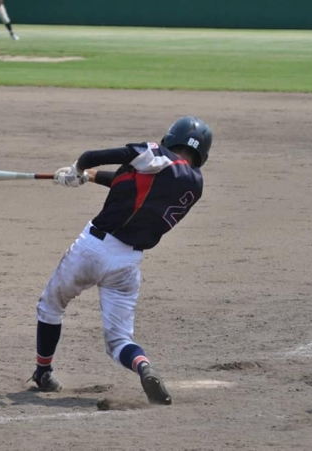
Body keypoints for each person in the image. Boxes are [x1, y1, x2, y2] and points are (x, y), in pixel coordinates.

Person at [28, 116, 213, 406]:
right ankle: (143, 366)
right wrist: (88, 177)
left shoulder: (156, 153)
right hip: (127, 264)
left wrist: (78, 168)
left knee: (51, 306)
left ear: (171, 138)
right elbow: (133, 184)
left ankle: (43, 372)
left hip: (91, 249)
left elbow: (91, 156)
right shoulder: (194, 184)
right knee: (119, 341)